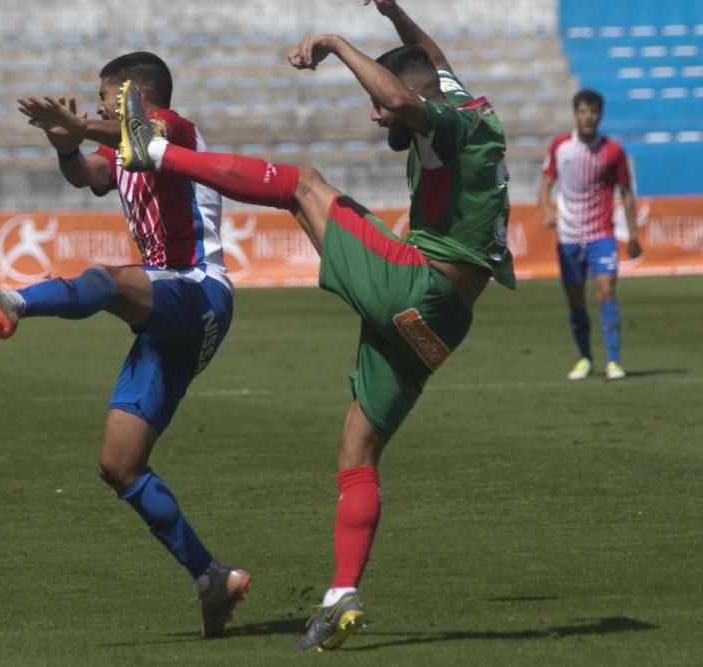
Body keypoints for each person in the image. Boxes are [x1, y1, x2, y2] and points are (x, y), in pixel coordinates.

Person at [117, 0, 514, 652]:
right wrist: (393, 13)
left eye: (382, 105)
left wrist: (334, 41)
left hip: (415, 283)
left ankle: (152, 150)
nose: (374, 112)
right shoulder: (473, 109)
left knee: (302, 185)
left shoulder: (441, 122)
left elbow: (400, 92)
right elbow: (431, 61)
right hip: (442, 323)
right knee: (356, 452)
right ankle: (341, 595)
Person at [0, 52, 250, 638]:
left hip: (199, 289)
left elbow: (136, 133)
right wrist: (66, 145)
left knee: (107, 279)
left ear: (133, 93)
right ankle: (212, 578)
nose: (99, 101)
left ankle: (14, 302)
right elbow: (91, 176)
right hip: (172, 309)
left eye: (106, 94)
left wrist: (83, 127)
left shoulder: (176, 128)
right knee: (118, 464)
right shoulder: (123, 146)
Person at [539, 88, 641, 381]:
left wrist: (633, 234)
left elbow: (626, 193)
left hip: (601, 233)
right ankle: (585, 358)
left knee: (606, 289)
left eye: (593, 112)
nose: (589, 117)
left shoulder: (613, 151)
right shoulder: (560, 146)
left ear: (600, 115)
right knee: (575, 300)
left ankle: (613, 360)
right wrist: (546, 210)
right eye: (583, 111)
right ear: (576, 114)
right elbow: (545, 186)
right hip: (569, 236)